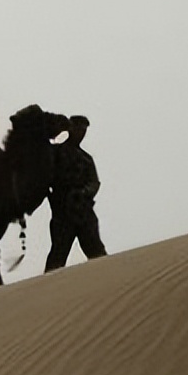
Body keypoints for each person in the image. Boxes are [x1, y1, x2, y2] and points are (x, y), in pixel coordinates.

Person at [45, 115, 108, 272]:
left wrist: (83, 193)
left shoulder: (86, 159)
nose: (81, 133)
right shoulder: (55, 153)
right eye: (78, 128)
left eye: (84, 129)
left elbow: (95, 183)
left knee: (97, 254)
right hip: (62, 213)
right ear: (70, 128)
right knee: (57, 258)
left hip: (83, 211)